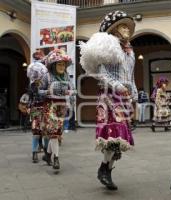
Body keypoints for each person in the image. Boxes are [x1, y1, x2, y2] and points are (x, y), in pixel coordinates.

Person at [79, 10, 136, 190]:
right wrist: (119, 86)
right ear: (114, 29)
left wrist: (133, 91)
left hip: (124, 97)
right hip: (109, 95)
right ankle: (104, 168)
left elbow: (130, 75)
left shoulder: (130, 50)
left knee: (119, 140)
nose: (127, 29)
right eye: (123, 25)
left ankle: (107, 170)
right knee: (114, 134)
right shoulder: (109, 45)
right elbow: (102, 74)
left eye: (128, 26)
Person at [39, 49, 75, 171]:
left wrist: (70, 92)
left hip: (62, 106)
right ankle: (56, 159)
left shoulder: (66, 76)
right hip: (50, 106)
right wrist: (46, 92)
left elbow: (73, 90)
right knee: (54, 133)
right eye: (59, 64)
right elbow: (38, 91)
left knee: (56, 133)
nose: (62, 66)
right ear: (53, 65)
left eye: (63, 64)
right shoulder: (47, 76)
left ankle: (48, 155)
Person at [26, 53, 49, 163]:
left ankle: (42, 152)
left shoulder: (42, 80)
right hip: (39, 107)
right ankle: (38, 152)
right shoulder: (33, 83)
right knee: (39, 131)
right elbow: (32, 95)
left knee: (41, 130)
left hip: (41, 106)